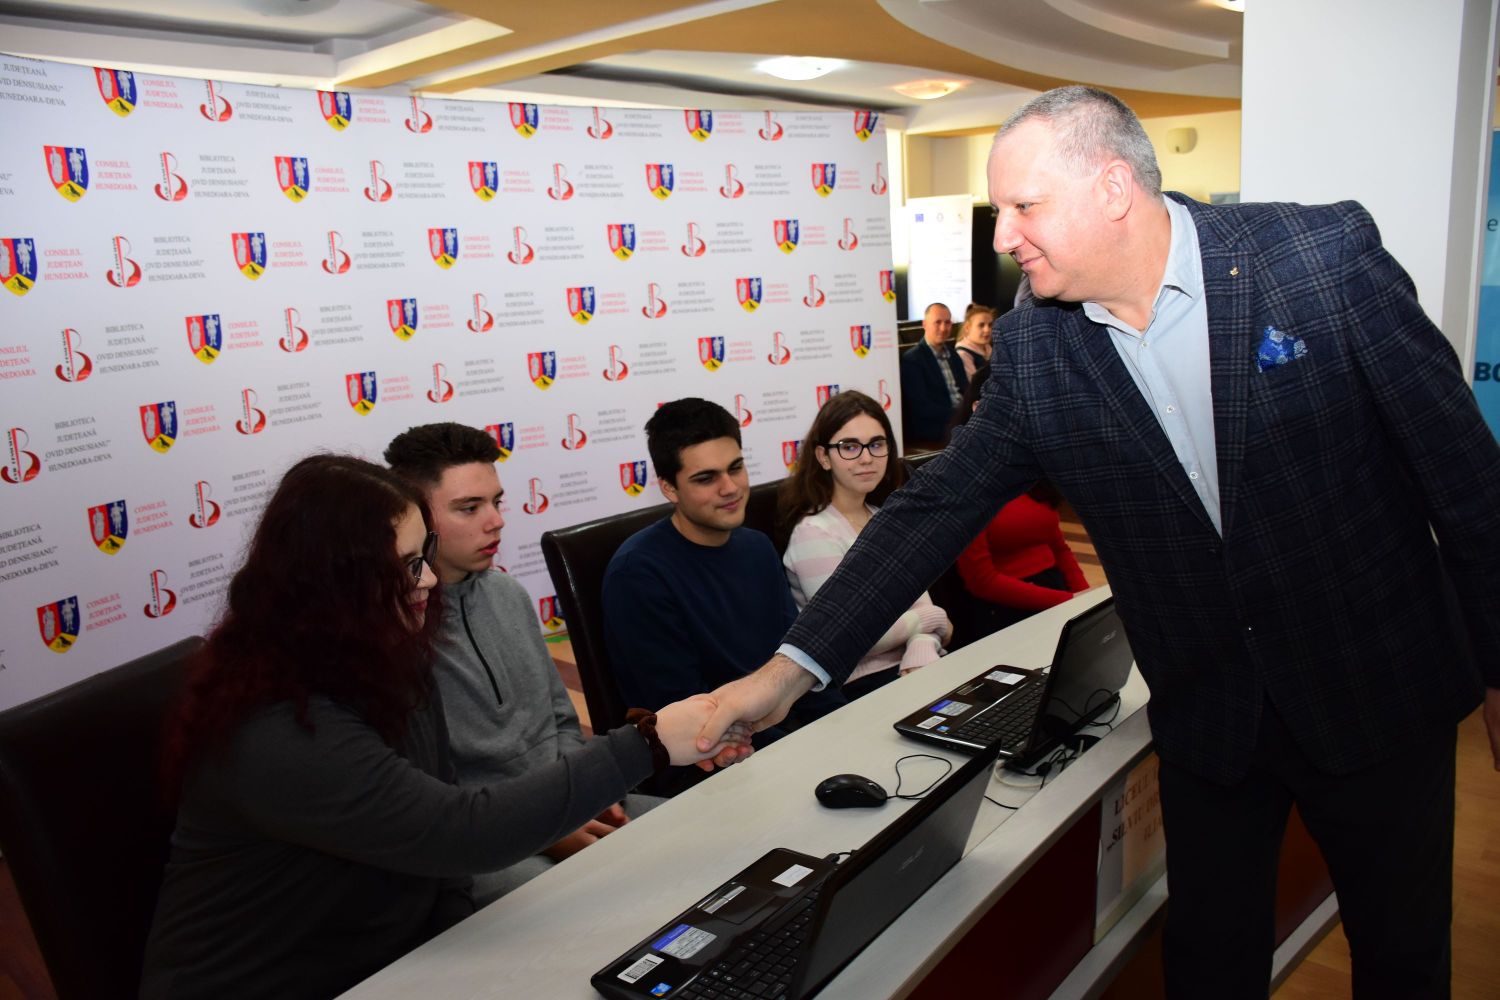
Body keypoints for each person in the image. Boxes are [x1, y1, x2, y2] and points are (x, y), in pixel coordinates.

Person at [695, 86, 1500, 1000]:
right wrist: (787, 672)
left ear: (1114, 187)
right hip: (1211, 716)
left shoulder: (1320, 259)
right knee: (1208, 967)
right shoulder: (1037, 347)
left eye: (1024, 207)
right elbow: (933, 509)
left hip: (1377, 692)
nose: (1004, 235)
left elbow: (1466, 479)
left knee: (1402, 959)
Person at [141, 455, 742, 999]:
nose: (428, 580)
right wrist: (646, 743)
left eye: (423, 556)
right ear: (338, 583)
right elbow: (459, 833)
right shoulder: (277, 728)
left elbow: (443, 852)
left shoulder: (389, 661)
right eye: (407, 566)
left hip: (391, 961)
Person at [384, 422, 659, 906]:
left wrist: (582, 792)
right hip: (483, 840)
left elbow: (561, 720)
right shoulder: (398, 630)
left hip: (566, 804)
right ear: (416, 519)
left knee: (696, 835)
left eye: (496, 502)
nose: (496, 521)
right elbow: (434, 797)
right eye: (470, 508)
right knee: (583, 906)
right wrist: (546, 824)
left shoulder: (508, 593)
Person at [602, 398, 844, 744]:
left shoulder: (757, 547)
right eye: (706, 478)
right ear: (669, 487)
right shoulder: (638, 576)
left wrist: (845, 727)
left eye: (736, 468)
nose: (730, 488)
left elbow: (798, 660)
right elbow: (681, 715)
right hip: (718, 755)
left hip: (790, 737)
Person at [777, 391, 951, 698]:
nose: (867, 458)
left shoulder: (887, 518)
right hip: (855, 689)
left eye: (876, 444)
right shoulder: (812, 533)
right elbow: (847, 637)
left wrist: (922, 645)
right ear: (823, 457)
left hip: (916, 666)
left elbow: (926, 610)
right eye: (849, 447)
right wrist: (931, 621)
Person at [949, 368, 1090, 640]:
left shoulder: (1029, 465)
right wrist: (1067, 601)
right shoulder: (963, 479)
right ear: (977, 409)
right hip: (1004, 610)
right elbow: (982, 581)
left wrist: (1084, 596)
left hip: (1054, 593)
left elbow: (1058, 547)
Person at [899, 302, 968, 446]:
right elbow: (922, 407)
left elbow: (966, 390)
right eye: (938, 322)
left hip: (960, 419)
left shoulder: (953, 355)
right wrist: (960, 414)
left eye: (947, 322)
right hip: (934, 426)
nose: (943, 328)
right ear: (924, 324)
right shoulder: (912, 359)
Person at [952, 305, 996, 380]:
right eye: (981, 325)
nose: (987, 330)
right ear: (967, 328)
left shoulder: (988, 348)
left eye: (990, 325)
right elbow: (975, 384)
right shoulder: (963, 354)